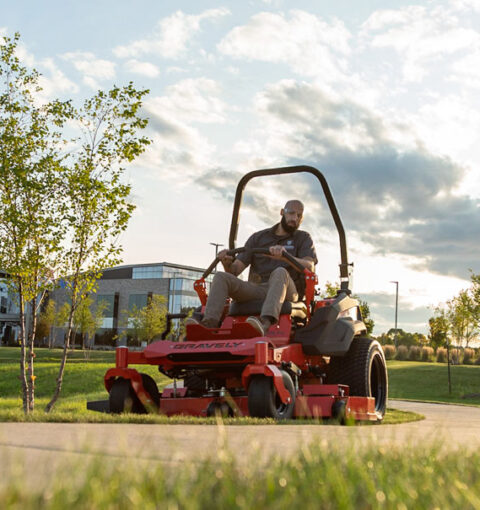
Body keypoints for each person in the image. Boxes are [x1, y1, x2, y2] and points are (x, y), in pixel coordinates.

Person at [187, 200, 317, 335]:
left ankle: (264, 322)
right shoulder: (258, 238)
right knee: (221, 276)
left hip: (288, 291)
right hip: (258, 289)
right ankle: (209, 324)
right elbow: (234, 270)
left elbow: (310, 266)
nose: (295, 218)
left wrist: (285, 257)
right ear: (282, 212)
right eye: (291, 213)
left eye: (299, 215)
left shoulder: (303, 238)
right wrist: (226, 262)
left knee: (280, 272)